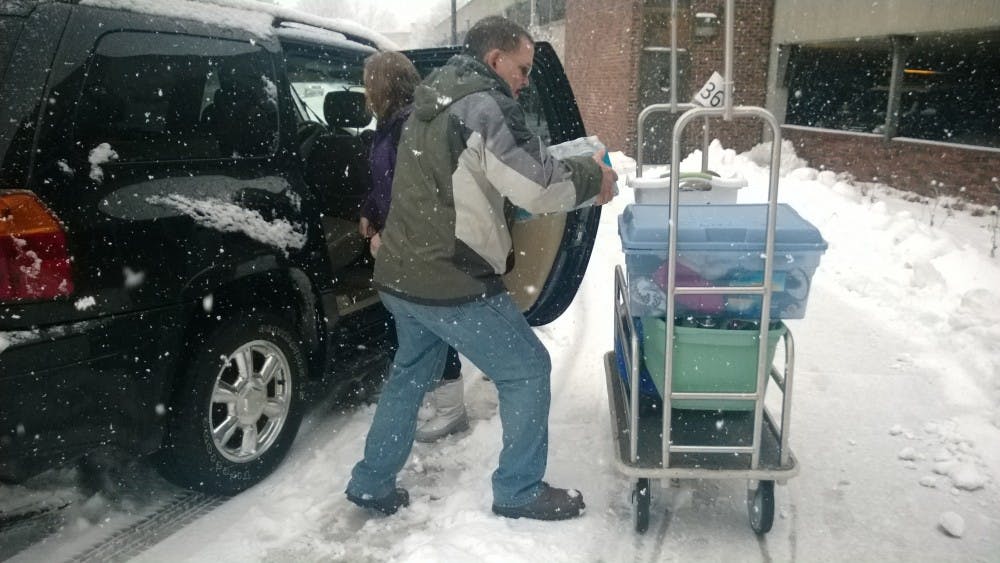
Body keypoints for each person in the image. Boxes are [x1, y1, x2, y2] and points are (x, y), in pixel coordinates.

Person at [345, 16, 617, 521]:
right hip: (450, 280)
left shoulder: (430, 102)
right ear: (495, 60)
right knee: (528, 370)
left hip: (401, 276)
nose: (526, 78)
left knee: (409, 374)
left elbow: (467, 178)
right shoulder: (485, 105)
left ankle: (371, 481)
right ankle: (518, 490)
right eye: (522, 66)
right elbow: (537, 186)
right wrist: (590, 175)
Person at [358, 51, 469, 443]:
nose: (365, 91)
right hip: (403, 242)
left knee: (430, 322)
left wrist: (388, 234)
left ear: (382, 86)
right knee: (413, 323)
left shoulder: (410, 126)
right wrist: (372, 211)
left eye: (369, 82)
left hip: (417, 245)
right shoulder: (390, 124)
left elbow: (416, 192)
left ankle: (452, 407)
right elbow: (385, 184)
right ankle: (436, 395)